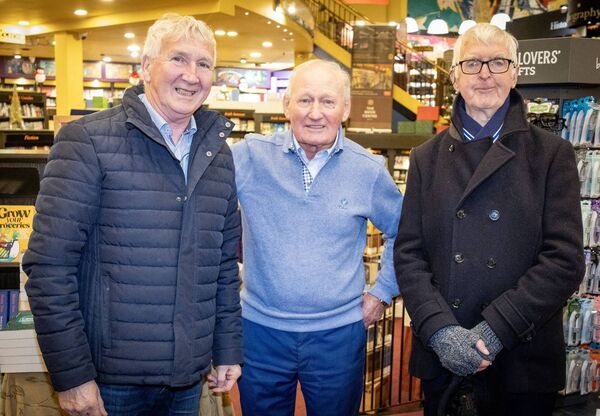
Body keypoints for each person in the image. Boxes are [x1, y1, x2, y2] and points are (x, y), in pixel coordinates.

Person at [22, 14, 242, 416]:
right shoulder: (87, 140)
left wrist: (226, 347)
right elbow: (49, 268)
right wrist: (72, 376)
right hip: (109, 382)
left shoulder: (219, 155)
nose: (191, 75)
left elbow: (223, 265)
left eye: (204, 64)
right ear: (145, 68)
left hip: (186, 380)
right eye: (178, 59)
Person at [394, 23, 584, 416]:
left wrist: (495, 330)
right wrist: (441, 332)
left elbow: (564, 261)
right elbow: (409, 255)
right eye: (472, 63)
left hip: (521, 360)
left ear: (515, 73)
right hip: (444, 358)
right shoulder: (425, 158)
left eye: (498, 62)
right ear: (454, 77)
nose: (484, 73)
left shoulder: (552, 155)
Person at [231, 59, 403, 416]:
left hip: (338, 335)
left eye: (327, 101)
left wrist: (382, 292)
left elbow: (403, 232)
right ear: (286, 106)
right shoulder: (248, 157)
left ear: (346, 109)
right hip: (260, 330)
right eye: (304, 100)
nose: (315, 113)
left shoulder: (368, 170)